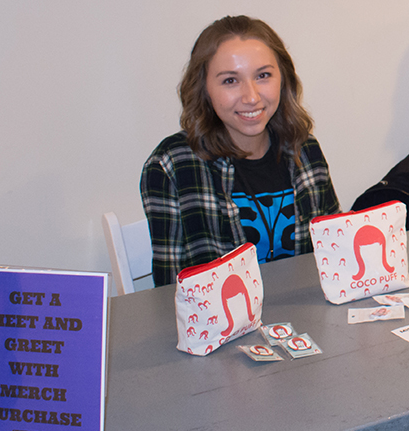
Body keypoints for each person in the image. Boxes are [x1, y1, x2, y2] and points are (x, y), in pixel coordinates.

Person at [141, 16, 339, 286]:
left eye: (263, 76)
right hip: (223, 325)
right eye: (230, 81)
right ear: (204, 89)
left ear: (284, 79)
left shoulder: (304, 149)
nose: (252, 97)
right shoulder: (171, 166)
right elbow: (169, 293)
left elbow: (337, 255)